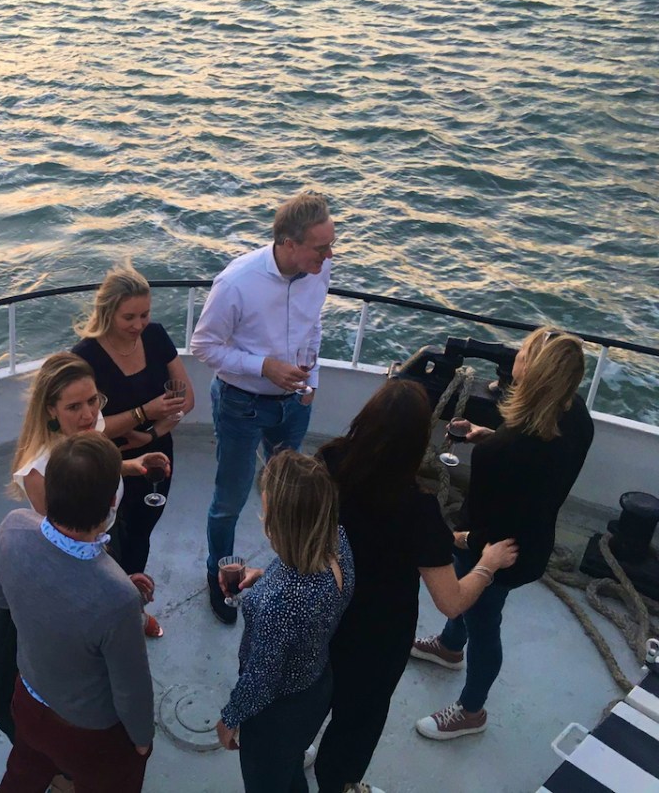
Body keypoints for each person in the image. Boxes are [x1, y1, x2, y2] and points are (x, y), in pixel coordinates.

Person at [312, 381, 519, 793]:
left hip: (322, 611)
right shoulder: (417, 508)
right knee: (357, 722)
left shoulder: (329, 460)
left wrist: (447, 539)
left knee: (311, 692)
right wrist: (487, 564)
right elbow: (451, 602)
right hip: (377, 637)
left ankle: (297, 745)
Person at [412, 327, 594, 740]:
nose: (515, 355)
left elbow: (484, 529)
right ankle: (448, 646)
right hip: (532, 543)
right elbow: (540, 460)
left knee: (483, 622)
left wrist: (453, 540)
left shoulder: (503, 454)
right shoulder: (577, 416)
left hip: (494, 554)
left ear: (531, 370)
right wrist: (489, 435)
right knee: (476, 613)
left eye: (523, 351)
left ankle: (471, 711)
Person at [191, 192, 335, 623]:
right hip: (241, 404)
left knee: (289, 494)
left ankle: (288, 574)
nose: (330, 255)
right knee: (230, 499)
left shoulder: (319, 267)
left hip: (295, 402)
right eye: (321, 247)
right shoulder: (237, 282)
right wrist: (263, 367)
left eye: (331, 245)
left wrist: (310, 380)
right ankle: (222, 578)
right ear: (289, 243)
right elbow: (203, 345)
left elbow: (313, 324)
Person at [0, 433, 155, 793]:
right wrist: (142, 740)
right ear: (112, 502)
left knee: (21, 776)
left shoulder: (13, 528)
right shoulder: (119, 597)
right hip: (90, 735)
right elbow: (131, 690)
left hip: (28, 704)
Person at [214, 450, 354, 793]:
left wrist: (229, 719)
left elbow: (261, 679)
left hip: (276, 714)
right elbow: (306, 598)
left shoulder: (277, 604)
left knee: (266, 782)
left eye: (266, 508)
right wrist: (264, 576)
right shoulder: (338, 541)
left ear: (278, 521)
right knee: (288, 770)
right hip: (316, 685)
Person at [10, 351, 170, 635]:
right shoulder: (38, 473)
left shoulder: (89, 428)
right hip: (81, 554)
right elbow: (63, 541)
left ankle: (134, 614)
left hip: (109, 529)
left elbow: (89, 473)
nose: (89, 414)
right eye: (73, 407)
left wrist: (131, 466)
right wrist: (109, 576)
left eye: (93, 400)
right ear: (50, 410)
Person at [71, 263, 195, 595]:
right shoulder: (85, 358)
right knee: (105, 536)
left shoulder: (155, 336)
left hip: (156, 456)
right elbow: (86, 431)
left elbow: (186, 399)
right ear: (108, 313)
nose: (139, 325)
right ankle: (111, 599)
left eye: (144, 314)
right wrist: (146, 412)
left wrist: (153, 432)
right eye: (129, 317)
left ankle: (130, 601)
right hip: (105, 463)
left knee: (141, 532)